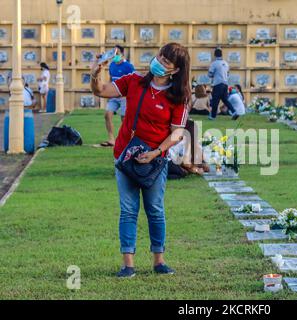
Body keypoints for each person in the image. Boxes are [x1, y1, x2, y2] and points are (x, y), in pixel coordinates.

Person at [90, 42, 190, 277]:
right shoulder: (133, 81)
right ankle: (128, 264)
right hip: (125, 156)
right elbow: (101, 90)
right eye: (160, 56)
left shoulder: (179, 97)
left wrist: (156, 152)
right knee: (127, 210)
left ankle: (159, 261)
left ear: (175, 70)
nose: (159, 62)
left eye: (166, 61)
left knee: (155, 209)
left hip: (155, 161)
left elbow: (177, 132)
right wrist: (96, 71)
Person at [101, 45, 135, 147]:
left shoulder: (128, 67)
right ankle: (111, 139)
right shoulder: (112, 65)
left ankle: (127, 140)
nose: (115, 55)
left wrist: (128, 96)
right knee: (107, 115)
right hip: (113, 96)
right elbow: (111, 80)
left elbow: (134, 82)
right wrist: (107, 92)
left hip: (125, 97)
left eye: (117, 53)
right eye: (114, 53)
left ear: (122, 54)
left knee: (124, 119)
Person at [208, 48, 238, 120]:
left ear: (215, 55)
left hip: (218, 84)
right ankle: (234, 112)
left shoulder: (214, 63)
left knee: (215, 100)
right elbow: (227, 74)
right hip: (225, 84)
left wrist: (213, 75)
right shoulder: (226, 63)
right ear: (221, 55)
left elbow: (210, 74)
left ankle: (213, 116)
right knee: (225, 100)